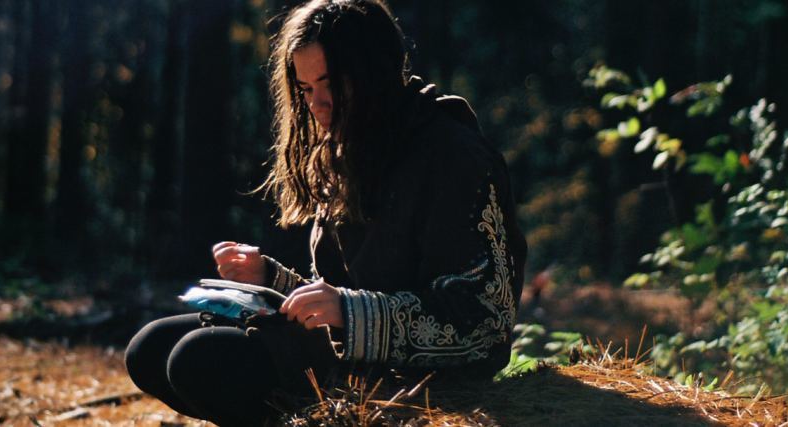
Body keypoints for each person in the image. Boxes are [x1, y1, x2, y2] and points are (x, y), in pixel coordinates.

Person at [125, 0, 527, 424]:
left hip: (420, 381)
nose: (318, 105)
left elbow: (486, 323)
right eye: (306, 89)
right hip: (348, 360)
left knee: (198, 359)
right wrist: (270, 278)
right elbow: (342, 292)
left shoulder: (453, 156)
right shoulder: (350, 147)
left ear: (374, 73)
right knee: (149, 348)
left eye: (330, 83)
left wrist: (352, 314)